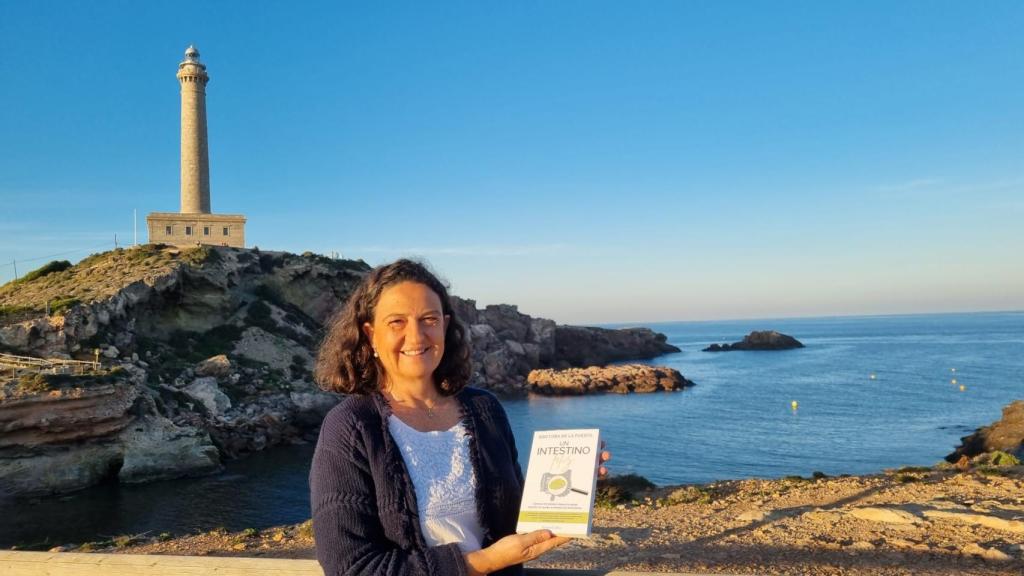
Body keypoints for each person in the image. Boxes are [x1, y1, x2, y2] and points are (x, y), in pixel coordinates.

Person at [310, 259, 609, 576]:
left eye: (429, 319)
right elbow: (350, 567)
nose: (416, 336)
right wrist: (483, 563)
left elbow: (516, 513)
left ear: (445, 325)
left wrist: (574, 489)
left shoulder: (485, 409)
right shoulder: (350, 427)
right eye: (397, 322)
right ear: (371, 334)